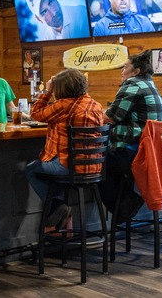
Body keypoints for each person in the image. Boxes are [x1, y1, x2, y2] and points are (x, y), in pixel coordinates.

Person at [25, 69, 104, 231]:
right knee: (56, 170)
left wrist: (47, 91)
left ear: (61, 88)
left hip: (69, 168)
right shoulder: (96, 105)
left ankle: (57, 207)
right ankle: (60, 222)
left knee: (32, 169)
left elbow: (36, 114)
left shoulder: (63, 105)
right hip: (95, 169)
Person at [98, 49, 162, 219]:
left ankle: (126, 205)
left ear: (136, 71)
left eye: (125, 67)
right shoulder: (150, 84)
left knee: (96, 165)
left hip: (136, 153)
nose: (122, 70)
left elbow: (112, 117)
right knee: (110, 160)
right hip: (153, 153)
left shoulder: (132, 84)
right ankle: (126, 203)